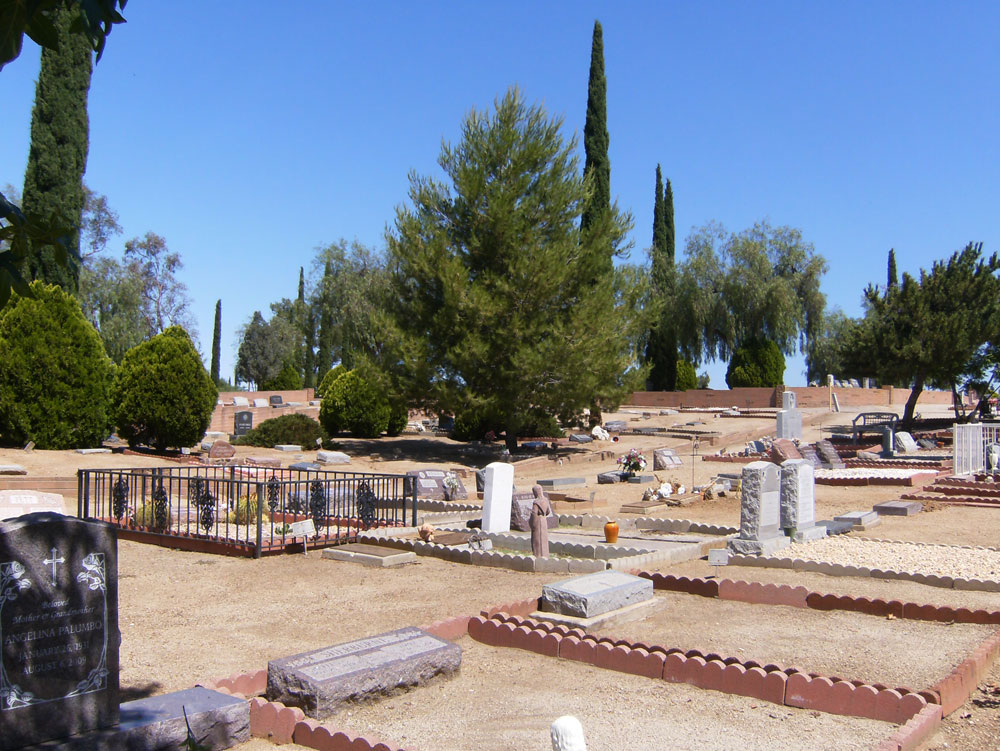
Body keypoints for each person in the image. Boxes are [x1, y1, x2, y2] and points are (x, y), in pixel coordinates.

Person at [530, 484, 551, 557]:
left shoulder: (536, 502)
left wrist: (532, 524)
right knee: (544, 538)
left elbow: (534, 513)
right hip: (544, 521)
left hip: (538, 521)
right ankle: (545, 554)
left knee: (537, 539)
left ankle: (538, 554)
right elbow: (548, 511)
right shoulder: (546, 500)